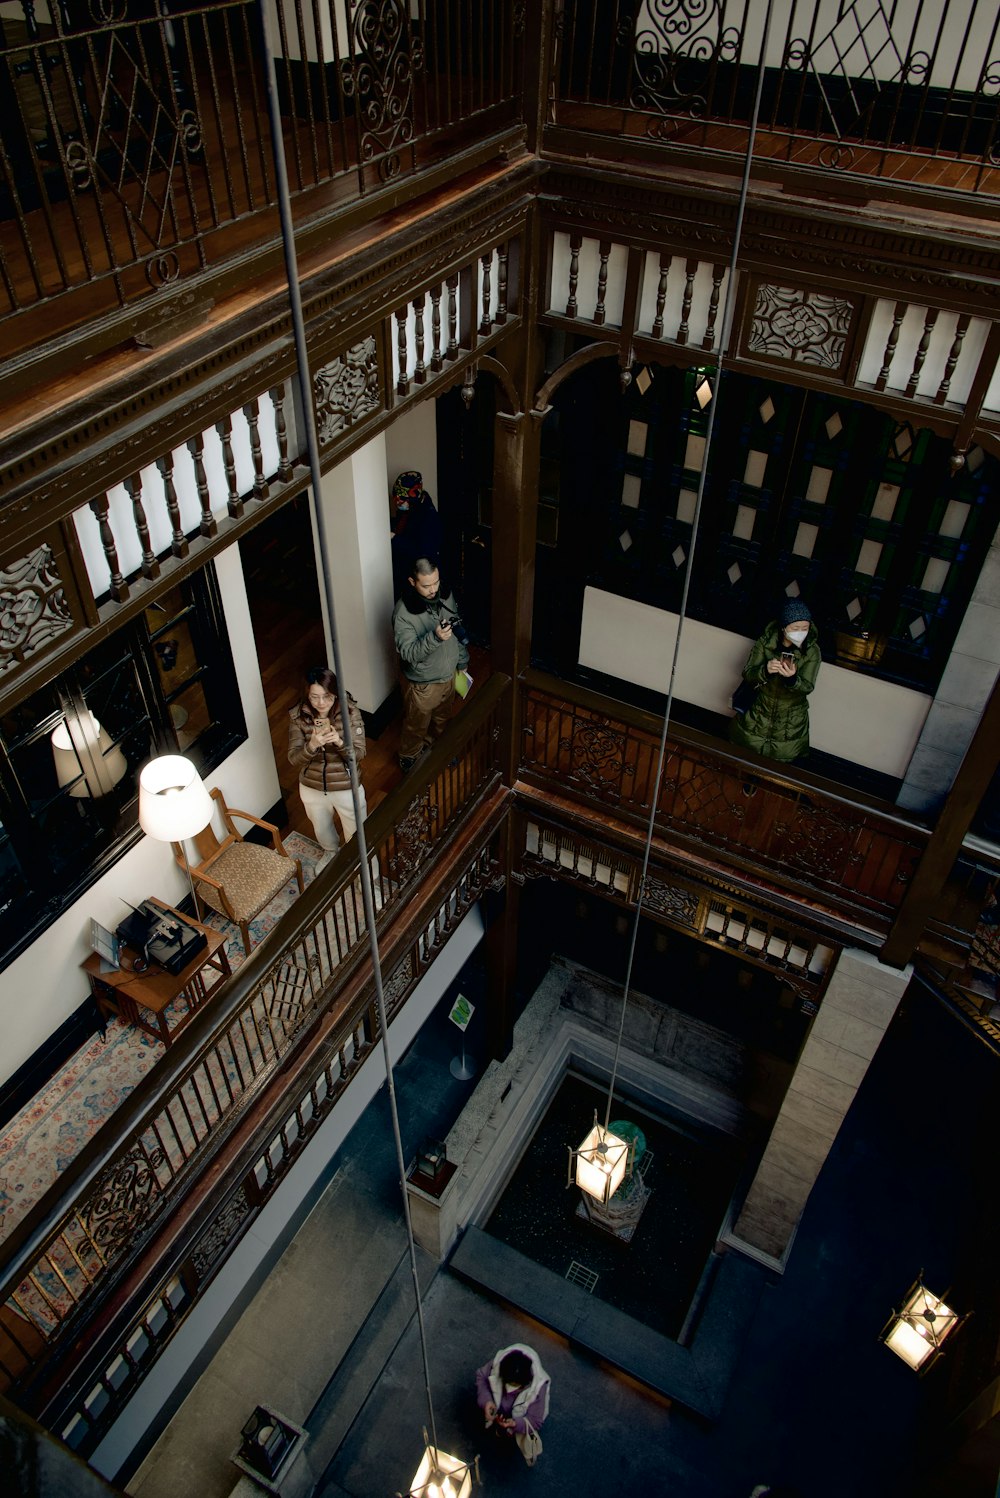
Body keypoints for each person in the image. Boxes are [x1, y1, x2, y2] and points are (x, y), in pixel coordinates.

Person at [392, 557, 469, 773]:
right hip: (423, 684)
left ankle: (441, 749)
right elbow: (408, 654)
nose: (433, 589)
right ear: (412, 582)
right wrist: (435, 638)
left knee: (443, 718)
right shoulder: (403, 614)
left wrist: (462, 660)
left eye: (436, 582)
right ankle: (408, 757)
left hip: (449, 674)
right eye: (426, 585)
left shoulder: (445, 594)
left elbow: (456, 626)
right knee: (417, 725)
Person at [288, 666, 367, 857]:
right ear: (307, 695)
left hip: (345, 786)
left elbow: (359, 753)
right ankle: (331, 854)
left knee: (359, 837)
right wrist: (312, 745)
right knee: (322, 830)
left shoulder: (349, 712)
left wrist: (339, 742)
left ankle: (367, 876)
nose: (321, 703)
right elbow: (293, 758)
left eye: (327, 696)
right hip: (312, 786)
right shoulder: (298, 716)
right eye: (314, 697)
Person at [729, 599, 821, 764]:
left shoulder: (812, 651)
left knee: (784, 756)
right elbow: (748, 673)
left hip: (791, 715)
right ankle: (750, 780)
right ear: (784, 627)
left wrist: (793, 679)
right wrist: (766, 670)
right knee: (749, 750)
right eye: (795, 628)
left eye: (805, 628)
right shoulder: (765, 642)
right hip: (760, 707)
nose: (801, 632)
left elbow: (808, 686)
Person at [475, 1344, 550, 1465]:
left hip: (516, 1418)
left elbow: (535, 1420)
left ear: (527, 1383)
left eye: (515, 1386)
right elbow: (482, 1377)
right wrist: (486, 1401)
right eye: (508, 1383)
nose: (509, 1390)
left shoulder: (539, 1388)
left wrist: (515, 1423)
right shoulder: (497, 1364)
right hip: (499, 1409)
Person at [390, 470, 443, 597]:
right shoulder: (413, 506)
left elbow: (422, 551)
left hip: (419, 573)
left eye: (402, 500)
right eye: (396, 499)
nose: (398, 504)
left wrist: (395, 538)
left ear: (412, 499)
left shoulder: (428, 518)